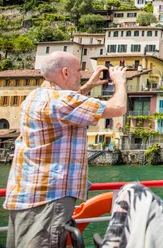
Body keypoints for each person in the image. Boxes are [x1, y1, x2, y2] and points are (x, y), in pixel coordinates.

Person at [4, 52, 129, 248]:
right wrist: (120, 82)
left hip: (24, 195)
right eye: (78, 71)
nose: (81, 75)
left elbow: (69, 106)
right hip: (48, 199)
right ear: (65, 72)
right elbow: (119, 107)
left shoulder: (35, 96)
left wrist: (88, 86)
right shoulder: (61, 100)